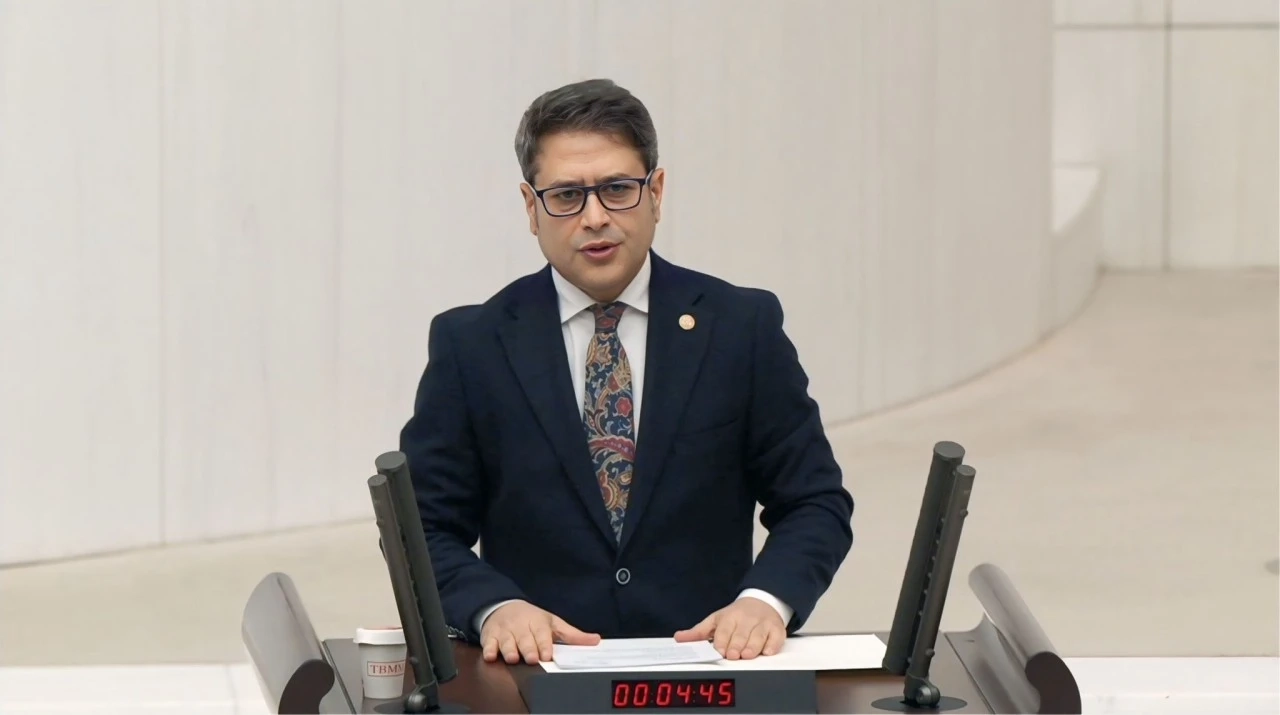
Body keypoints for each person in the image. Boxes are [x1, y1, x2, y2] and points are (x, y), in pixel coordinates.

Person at [401, 78, 853, 667]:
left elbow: (815, 501)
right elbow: (421, 527)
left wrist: (765, 602)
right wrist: (494, 608)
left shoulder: (740, 328)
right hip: (537, 677)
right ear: (531, 208)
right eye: (566, 196)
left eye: (617, 189)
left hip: (709, 673)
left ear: (656, 193)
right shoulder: (473, 345)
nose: (594, 218)